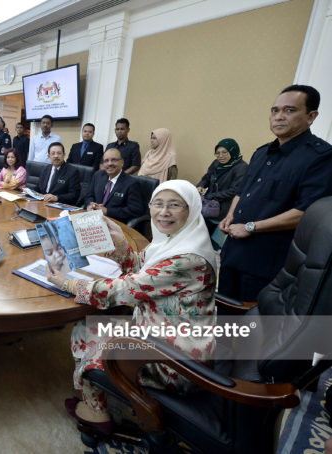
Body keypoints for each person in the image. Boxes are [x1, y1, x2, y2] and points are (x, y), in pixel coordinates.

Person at [46, 179, 217, 436]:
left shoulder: (188, 258)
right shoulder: (176, 241)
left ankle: (97, 415)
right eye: (157, 204)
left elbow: (126, 290)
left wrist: (70, 284)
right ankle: (100, 396)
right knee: (84, 329)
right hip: (155, 330)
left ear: (191, 210)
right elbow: (144, 270)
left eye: (174, 205)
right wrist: (119, 242)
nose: (164, 212)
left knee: (97, 346)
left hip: (176, 359)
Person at [219, 85, 332, 301]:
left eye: (289, 110)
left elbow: (306, 212)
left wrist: (251, 227)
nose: (279, 117)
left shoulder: (321, 157)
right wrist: (230, 215)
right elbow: (242, 191)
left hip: (268, 261)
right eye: (275, 110)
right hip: (234, 251)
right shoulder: (262, 153)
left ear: (311, 116)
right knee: (226, 318)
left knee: (255, 325)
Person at [196, 138, 248, 242]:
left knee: (216, 242)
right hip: (209, 207)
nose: (220, 156)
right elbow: (207, 177)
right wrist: (201, 185)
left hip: (225, 210)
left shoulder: (242, 167)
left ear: (233, 151)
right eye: (218, 153)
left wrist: (211, 196)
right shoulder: (216, 163)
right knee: (202, 238)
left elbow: (234, 191)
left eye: (224, 152)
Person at [84, 148, 146, 224]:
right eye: (106, 161)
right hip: (94, 220)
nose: (109, 163)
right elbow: (89, 195)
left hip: (114, 223)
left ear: (122, 162)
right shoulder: (98, 175)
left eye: (114, 160)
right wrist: (91, 204)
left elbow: (136, 210)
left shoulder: (132, 183)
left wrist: (108, 211)